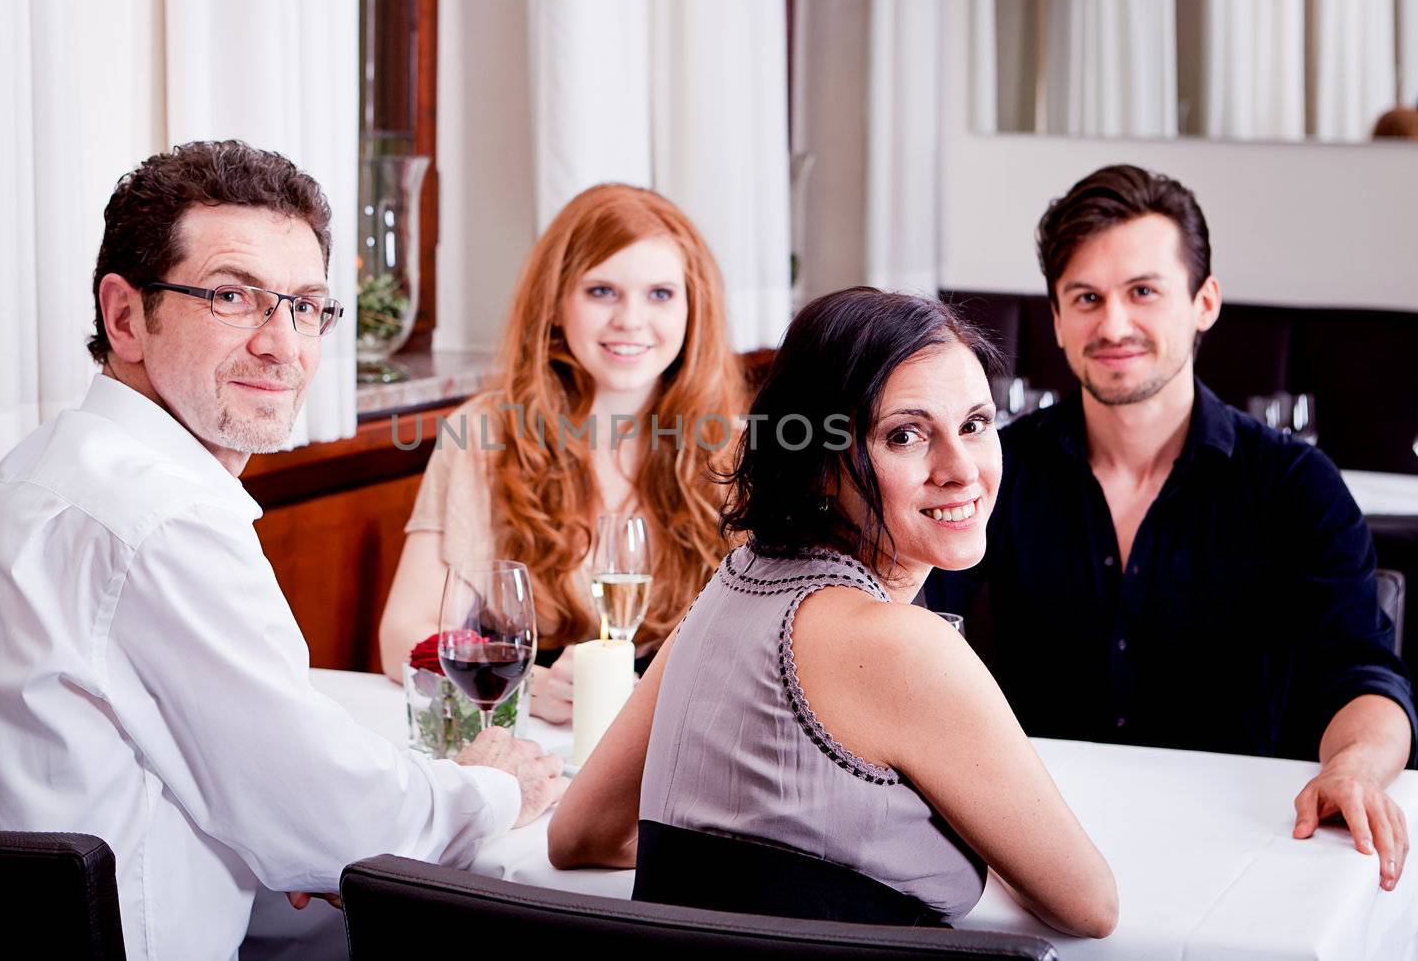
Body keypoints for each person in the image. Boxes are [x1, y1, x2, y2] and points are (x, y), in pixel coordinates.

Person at [0, 141, 566, 961]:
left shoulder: (46, 465)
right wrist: (493, 786)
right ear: (125, 316)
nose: (284, 344)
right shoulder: (157, 517)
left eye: (305, 306)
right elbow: (345, 822)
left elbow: (289, 803)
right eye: (234, 296)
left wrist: (300, 831)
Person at [548, 288, 1119, 938]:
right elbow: (1090, 905)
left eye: (976, 423)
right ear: (820, 464)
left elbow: (576, 833)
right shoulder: (903, 646)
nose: (961, 469)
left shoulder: (728, 592)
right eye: (906, 435)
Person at [927, 163, 1416, 892]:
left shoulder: (1293, 483)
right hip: (1035, 840)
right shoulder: (999, 469)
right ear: (1056, 319)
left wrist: (1353, 764)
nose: (1113, 324)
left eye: (1144, 292)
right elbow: (923, 627)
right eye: (1085, 298)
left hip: (1246, 844)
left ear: (1204, 303)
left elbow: (1366, 675)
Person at [377, 184, 745, 723]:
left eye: (661, 294)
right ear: (553, 304)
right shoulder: (483, 433)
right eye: (602, 291)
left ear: (695, 311)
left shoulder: (736, 448)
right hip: (545, 738)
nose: (630, 320)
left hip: (686, 732)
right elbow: (402, 635)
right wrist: (528, 686)